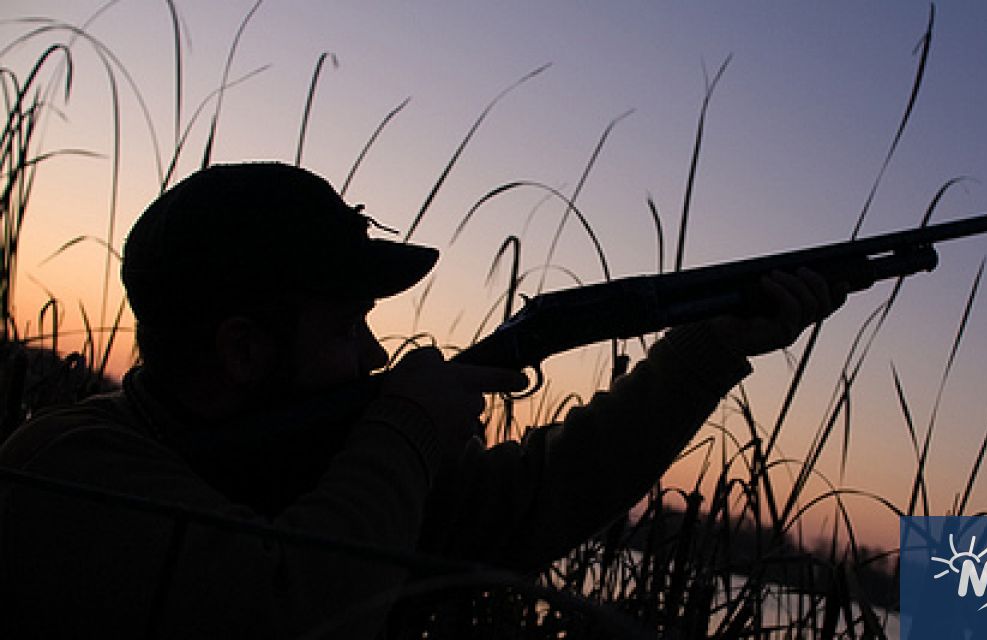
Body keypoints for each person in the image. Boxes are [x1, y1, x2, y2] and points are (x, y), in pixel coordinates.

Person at [0, 162, 844, 638]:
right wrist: (405, 427)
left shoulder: (313, 466)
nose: (376, 354)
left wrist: (710, 347)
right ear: (244, 351)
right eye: (347, 325)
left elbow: (536, 499)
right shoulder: (63, 469)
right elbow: (294, 611)